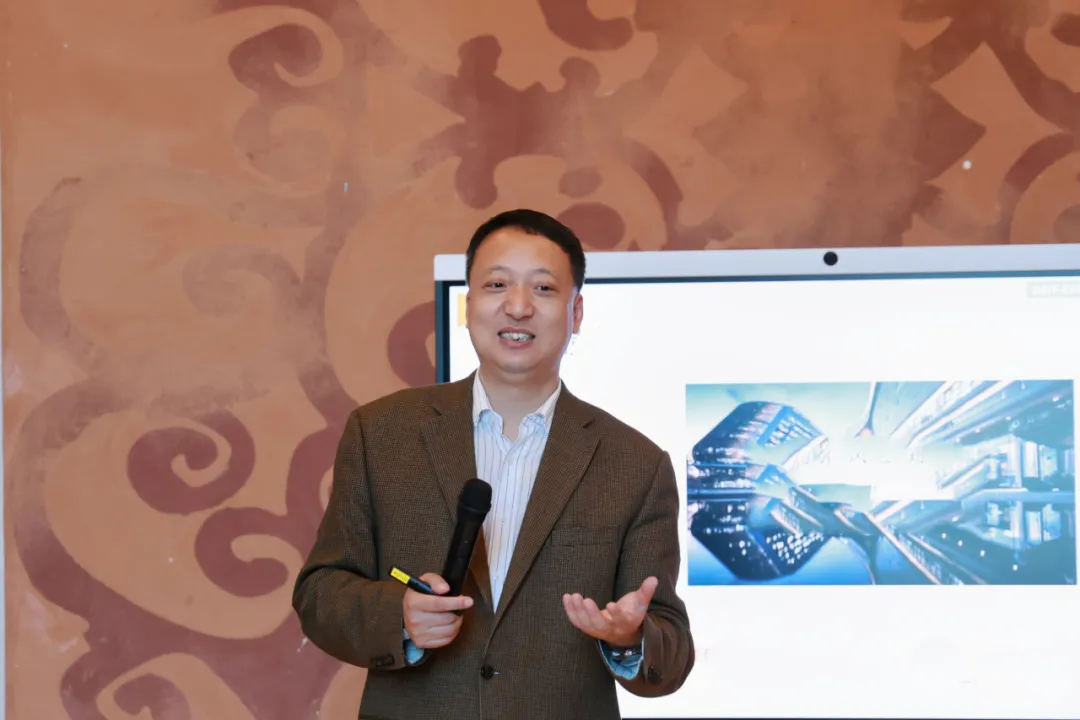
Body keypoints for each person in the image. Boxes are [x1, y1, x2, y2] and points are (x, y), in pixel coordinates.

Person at [292, 209, 694, 719]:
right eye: (497, 285)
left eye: (543, 289)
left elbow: (671, 652)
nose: (518, 307)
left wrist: (629, 639)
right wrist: (399, 617)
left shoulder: (634, 464)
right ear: (468, 304)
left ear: (576, 313)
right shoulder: (382, 434)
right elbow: (320, 592)